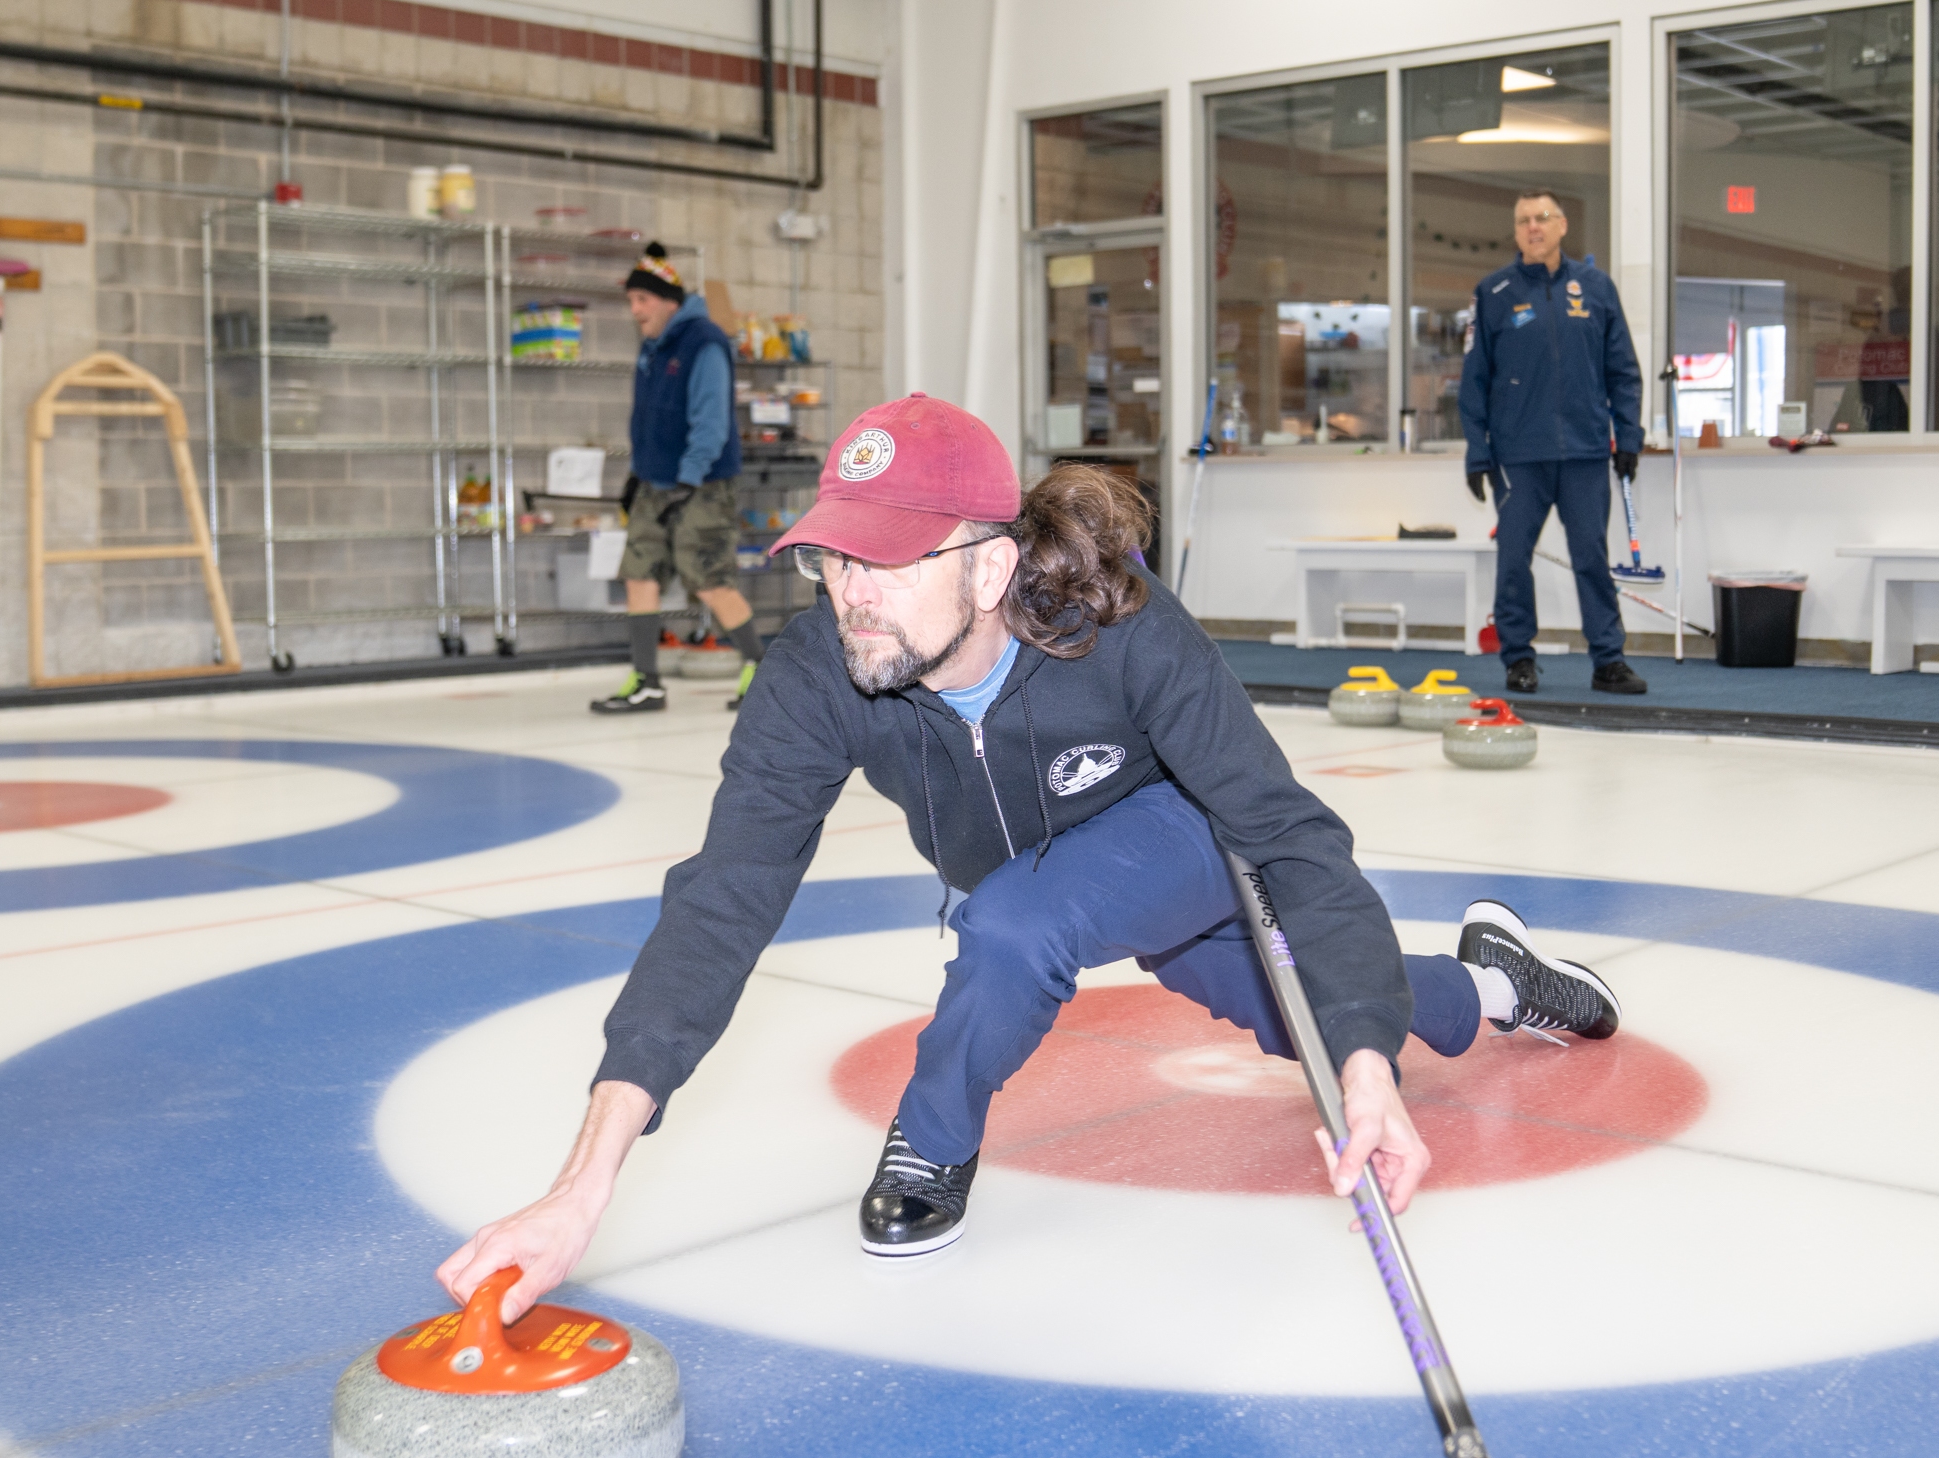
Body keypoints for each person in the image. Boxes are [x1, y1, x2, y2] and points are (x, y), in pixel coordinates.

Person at [442, 394, 1623, 1322]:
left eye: (886, 563)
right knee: (1283, 1009)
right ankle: (1491, 980)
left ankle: (931, 1139)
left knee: (1014, 926)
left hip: (1178, 828)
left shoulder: (1121, 626)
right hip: (1041, 867)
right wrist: (582, 1182)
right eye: (834, 561)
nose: (851, 596)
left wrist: (1364, 1075)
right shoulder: (823, 674)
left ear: (991, 566)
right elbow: (723, 901)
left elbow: (1286, 831)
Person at [1458, 191, 1648, 698]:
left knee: (1591, 557)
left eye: (1542, 218)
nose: (1533, 228)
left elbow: (1624, 372)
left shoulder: (1597, 288)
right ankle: (1518, 658)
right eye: (1523, 221)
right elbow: (1473, 379)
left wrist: (1628, 436)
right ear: (1516, 232)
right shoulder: (1493, 292)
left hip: (1585, 452)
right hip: (1519, 456)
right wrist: (1478, 452)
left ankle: (1608, 660)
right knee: (1513, 559)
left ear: (1562, 225)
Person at [592, 243, 763, 715]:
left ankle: (762, 673)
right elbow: (649, 421)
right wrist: (638, 475)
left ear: (668, 299)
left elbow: (711, 422)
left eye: (642, 300)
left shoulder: (704, 342)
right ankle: (647, 681)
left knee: (708, 579)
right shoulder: (652, 347)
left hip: (702, 484)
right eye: (631, 302)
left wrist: (688, 480)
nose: (636, 311)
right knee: (638, 574)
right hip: (654, 483)